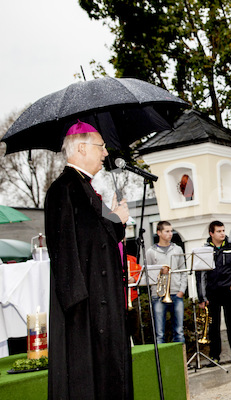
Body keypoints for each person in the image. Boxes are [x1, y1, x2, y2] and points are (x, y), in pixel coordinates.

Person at [45, 121, 133, 399]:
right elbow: (65, 253)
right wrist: (79, 312)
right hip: (85, 308)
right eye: (101, 146)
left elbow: (102, 236)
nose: (106, 153)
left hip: (101, 301)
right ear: (81, 147)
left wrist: (119, 220)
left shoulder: (86, 189)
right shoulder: (63, 190)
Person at [196, 221, 231, 364]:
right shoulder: (204, 251)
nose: (222, 233)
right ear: (211, 233)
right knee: (214, 326)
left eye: (223, 230)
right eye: (218, 231)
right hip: (213, 293)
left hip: (229, 291)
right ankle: (214, 355)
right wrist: (202, 297)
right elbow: (201, 275)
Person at [146, 221, 187, 343]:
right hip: (158, 295)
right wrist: (159, 272)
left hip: (176, 293)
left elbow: (183, 270)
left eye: (171, 231)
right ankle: (162, 362)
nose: (170, 234)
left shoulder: (177, 249)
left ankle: (181, 361)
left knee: (179, 332)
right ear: (159, 233)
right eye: (167, 231)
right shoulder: (150, 252)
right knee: (159, 333)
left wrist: (181, 291)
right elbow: (147, 273)